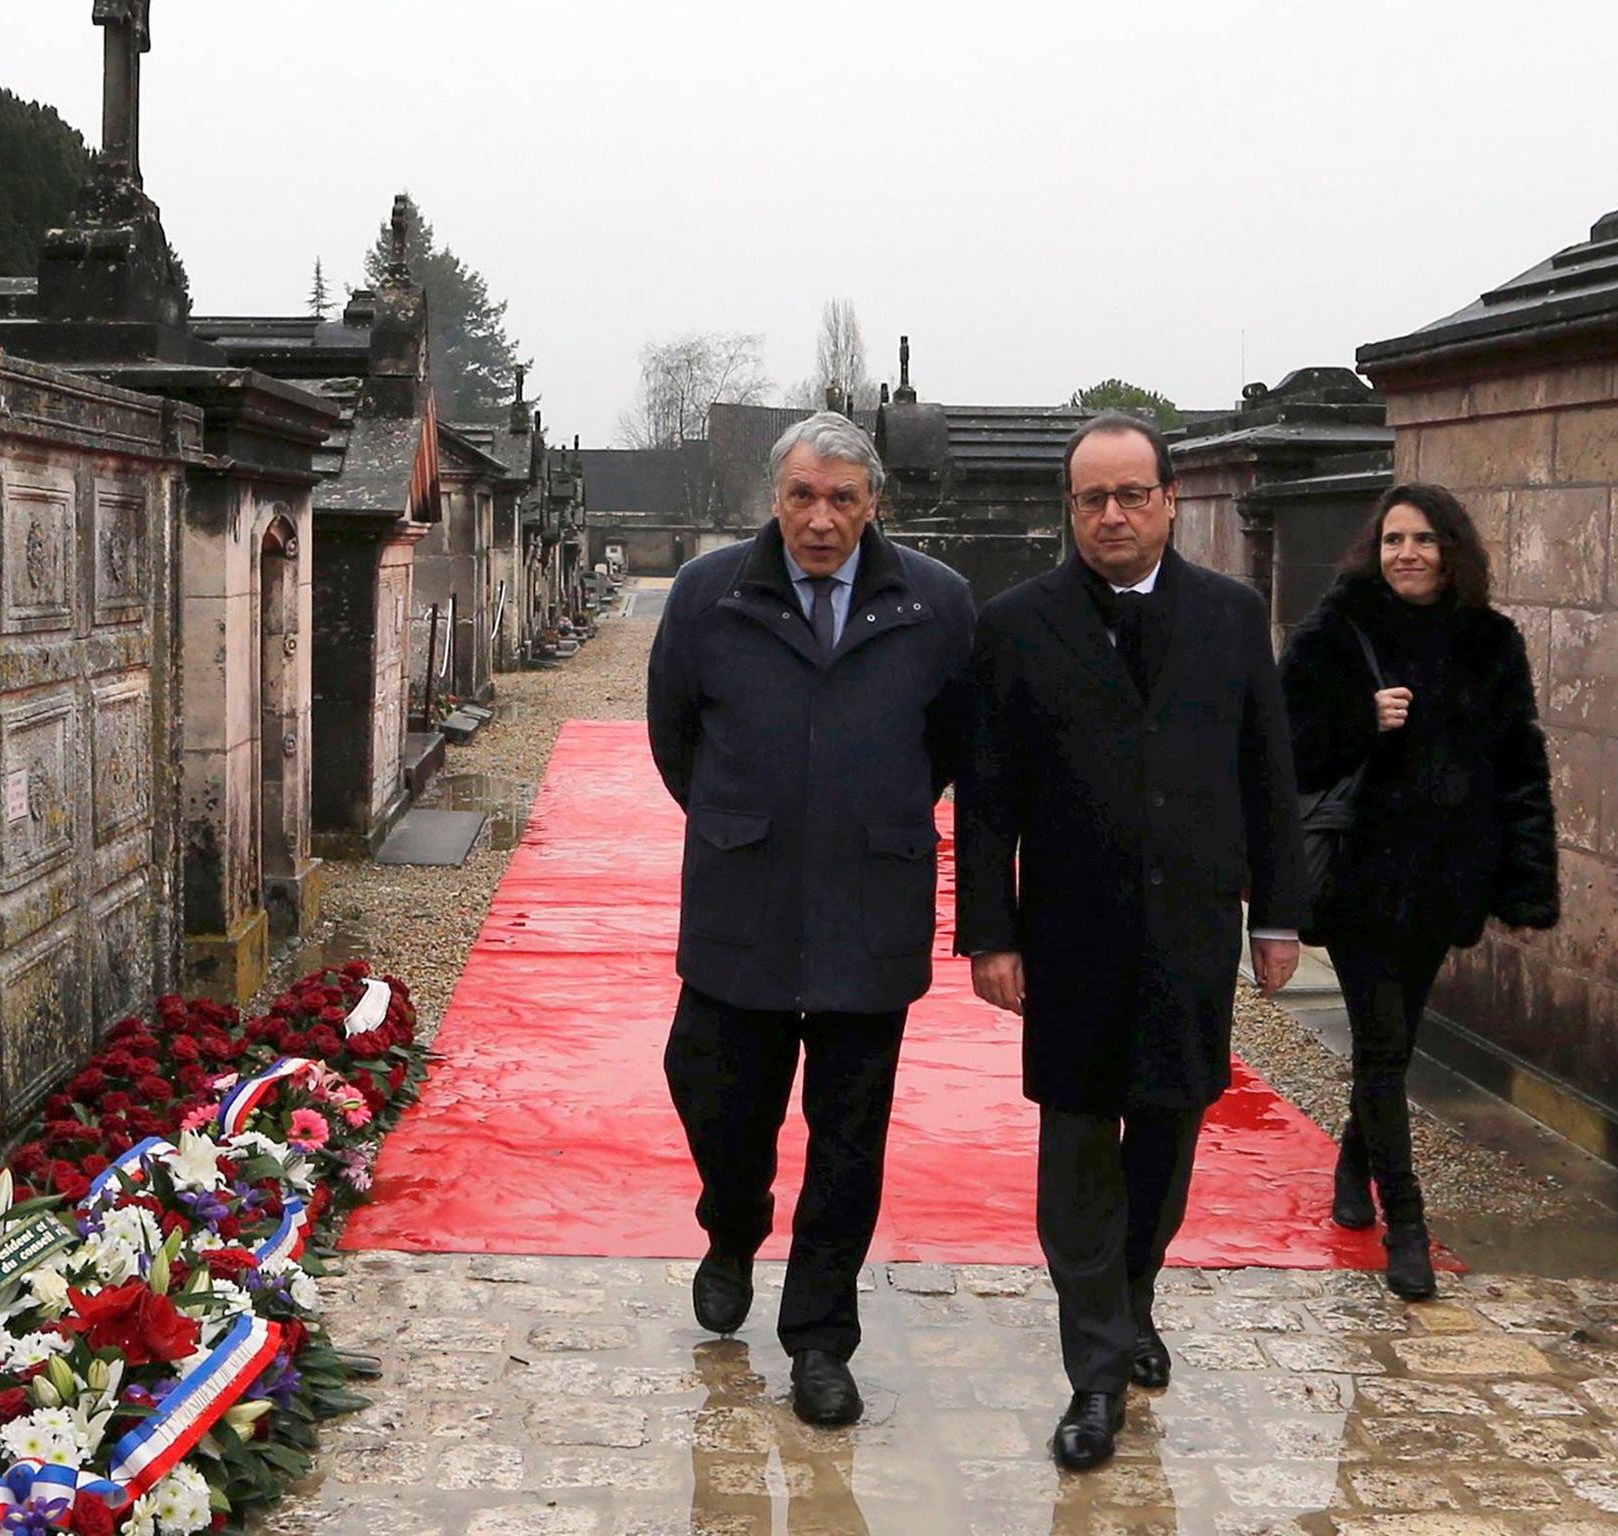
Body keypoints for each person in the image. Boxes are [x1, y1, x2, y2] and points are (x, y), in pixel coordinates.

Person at [955, 414, 1306, 1471]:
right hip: (1068, 932)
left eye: (1129, 496)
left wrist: (1277, 912)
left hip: (1189, 926)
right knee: (1074, 1150)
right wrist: (989, 933)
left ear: (1165, 501)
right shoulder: (1015, 625)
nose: (1110, 515)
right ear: (1067, 510)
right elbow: (985, 796)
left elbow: (1265, 772)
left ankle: (1132, 1293)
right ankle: (1094, 1370)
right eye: (1089, 499)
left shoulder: (1231, 615)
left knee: (1162, 1137)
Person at [646, 410, 974, 1427]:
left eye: (842, 498)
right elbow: (673, 737)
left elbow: (951, 741)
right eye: (802, 496)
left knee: (846, 1142)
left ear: (873, 504)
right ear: (774, 499)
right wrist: (745, 818)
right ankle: (732, 1222)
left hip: (867, 913)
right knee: (711, 1091)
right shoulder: (709, 595)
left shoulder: (936, 603)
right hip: (741, 902)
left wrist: (869, 815)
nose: (820, 519)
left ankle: (820, 1339)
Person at [1278, 483, 1557, 1300]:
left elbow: (1520, 764)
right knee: (1381, 1044)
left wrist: (1525, 879)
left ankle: (1351, 1160)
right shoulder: (1335, 632)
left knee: (1392, 1047)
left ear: (1451, 551)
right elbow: (1280, 749)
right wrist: (1361, 720)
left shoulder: (1490, 642)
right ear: (1375, 548)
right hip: (1362, 881)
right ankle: (1405, 1223)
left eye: (1425, 539)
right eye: (1394, 538)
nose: (1407, 553)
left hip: (1445, 881)